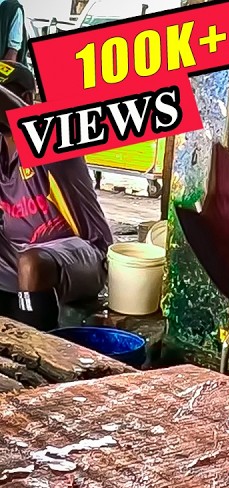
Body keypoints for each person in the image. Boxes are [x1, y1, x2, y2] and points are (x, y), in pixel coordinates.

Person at [0, 61, 112, 330]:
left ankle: (38, 355)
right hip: (16, 255)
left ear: (26, 99)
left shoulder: (54, 136)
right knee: (26, 260)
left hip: (84, 253)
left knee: (32, 263)